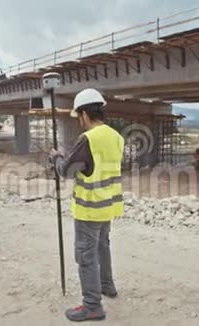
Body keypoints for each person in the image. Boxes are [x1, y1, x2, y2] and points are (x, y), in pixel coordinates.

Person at [50, 88, 125, 322]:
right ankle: (107, 285)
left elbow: (67, 171)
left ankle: (92, 305)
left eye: (78, 117)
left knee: (86, 256)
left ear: (83, 114)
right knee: (103, 246)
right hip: (108, 206)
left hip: (89, 208)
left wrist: (56, 158)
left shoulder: (88, 139)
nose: (79, 121)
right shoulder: (116, 137)